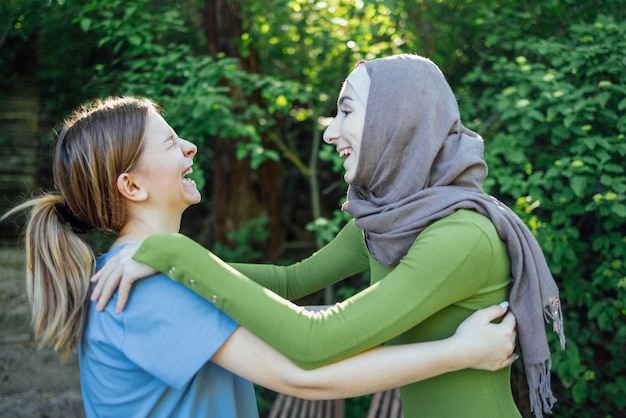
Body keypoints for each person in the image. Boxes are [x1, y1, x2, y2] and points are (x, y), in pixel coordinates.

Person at [91, 55, 565, 418]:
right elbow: (292, 281)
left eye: (345, 112)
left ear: (394, 121)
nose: (329, 132)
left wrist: (172, 253)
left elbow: (316, 342)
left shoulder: (461, 237)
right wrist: (170, 271)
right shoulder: (386, 223)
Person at [1, 96, 518, 418]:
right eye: (170, 143)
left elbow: (287, 290)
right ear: (131, 184)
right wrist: (461, 352)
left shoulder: (154, 267)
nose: (190, 149)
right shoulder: (153, 285)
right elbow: (304, 377)